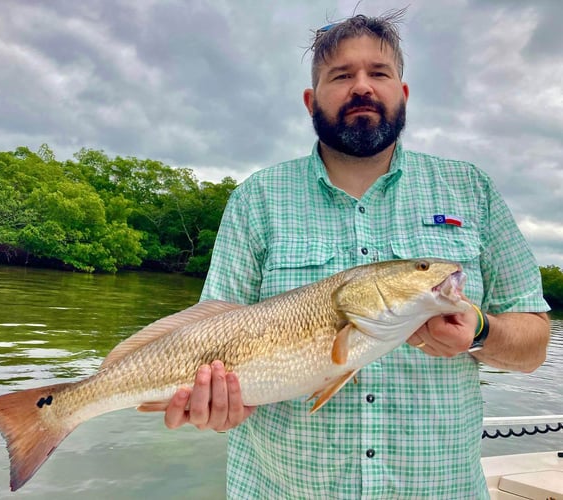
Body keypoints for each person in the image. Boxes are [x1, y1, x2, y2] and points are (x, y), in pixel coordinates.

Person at [160, 10, 551, 499]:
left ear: (402, 93)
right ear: (311, 100)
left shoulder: (472, 190)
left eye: (379, 73)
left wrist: (481, 332)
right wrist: (214, 409)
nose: (361, 87)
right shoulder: (256, 199)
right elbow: (209, 335)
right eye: (341, 75)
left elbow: (535, 345)